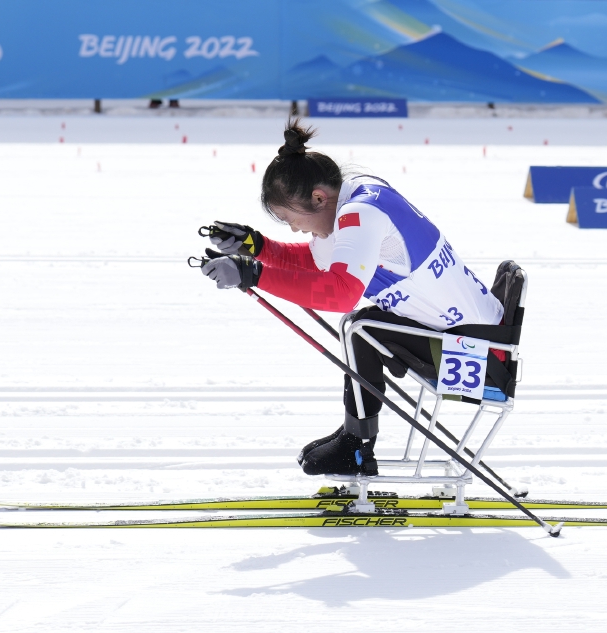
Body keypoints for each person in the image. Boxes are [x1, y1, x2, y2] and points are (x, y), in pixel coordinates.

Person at [198, 120, 504, 477]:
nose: (295, 228)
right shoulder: (356, 194)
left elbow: (340, 294)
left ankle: (356, 447)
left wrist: (254, 275)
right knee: (362, 326)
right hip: (480, 339)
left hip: (480, 356)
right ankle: (354, 436)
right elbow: (318, 261)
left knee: (362, 328)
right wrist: (258, 247)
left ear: (318, 197)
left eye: (289, 218)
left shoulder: (360, 214)